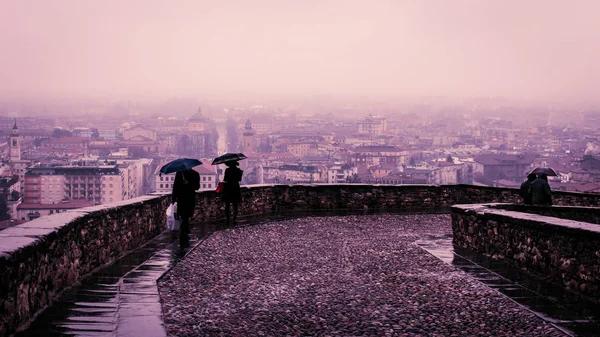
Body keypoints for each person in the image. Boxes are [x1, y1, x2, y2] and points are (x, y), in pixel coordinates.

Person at [172, 167, 200, 238]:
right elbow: (175, 186)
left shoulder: (195, 174)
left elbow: (197, 187)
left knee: (186, 214)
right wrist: (174, 197)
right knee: (183, 214)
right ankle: (185, 229)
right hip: (182, 197)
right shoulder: (179, 173)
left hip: (189, 197)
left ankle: (184, 229)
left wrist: (188, 183)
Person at [222, 160, 243, 225]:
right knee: (235, 204)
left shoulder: (227, 170)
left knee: (227, 204)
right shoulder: (238, 170)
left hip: (228, 187)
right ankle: (235, 217)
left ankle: (228, 217)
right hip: (236, 187)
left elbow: (225, 179)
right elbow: (239, 179)